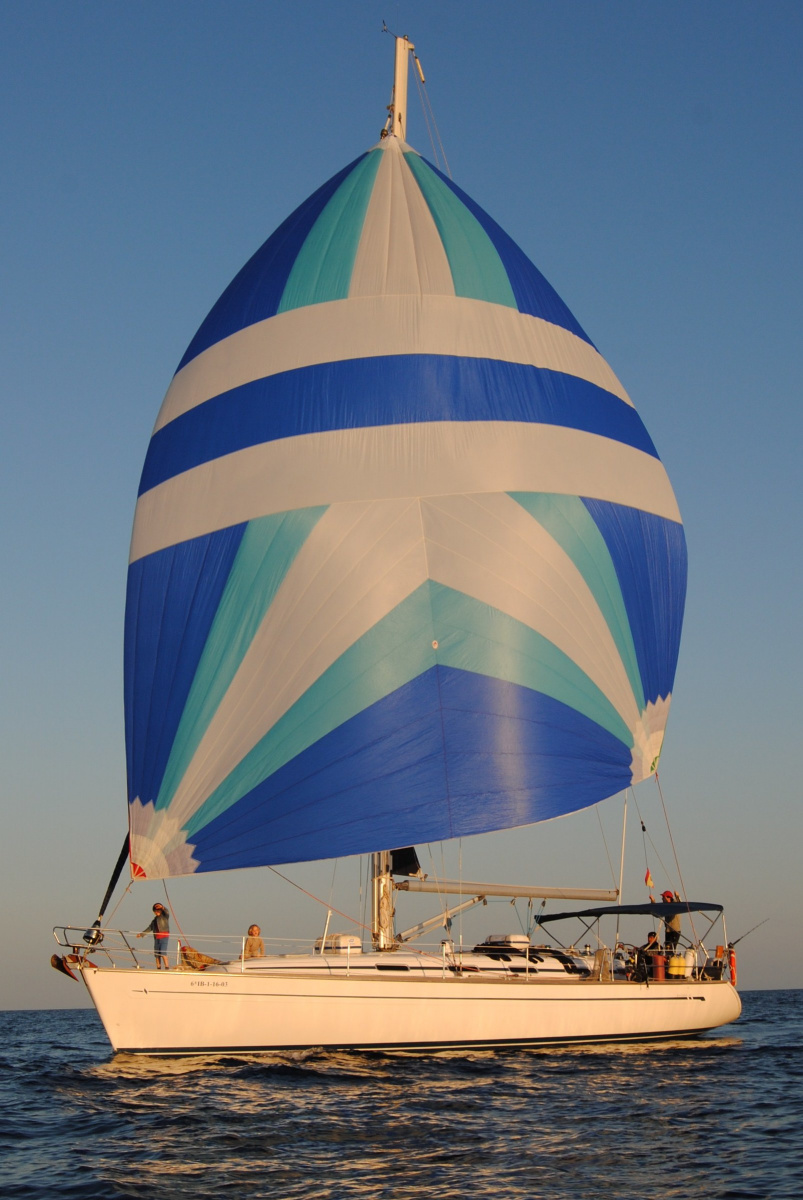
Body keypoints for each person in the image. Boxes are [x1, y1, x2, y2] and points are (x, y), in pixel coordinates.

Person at [137, 902, 170, 969]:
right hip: (157, 938)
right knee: (157, 954)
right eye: (155, 911)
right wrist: (142, 934)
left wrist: (162, 907)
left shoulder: (164, 917)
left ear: (161, 911)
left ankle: (167, 967)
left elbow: (167, 912)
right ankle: (158, 967)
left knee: (163, 952)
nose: (157, 912)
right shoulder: (154, 920)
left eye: (158, 910)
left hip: (164, 937)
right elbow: (150, 928)